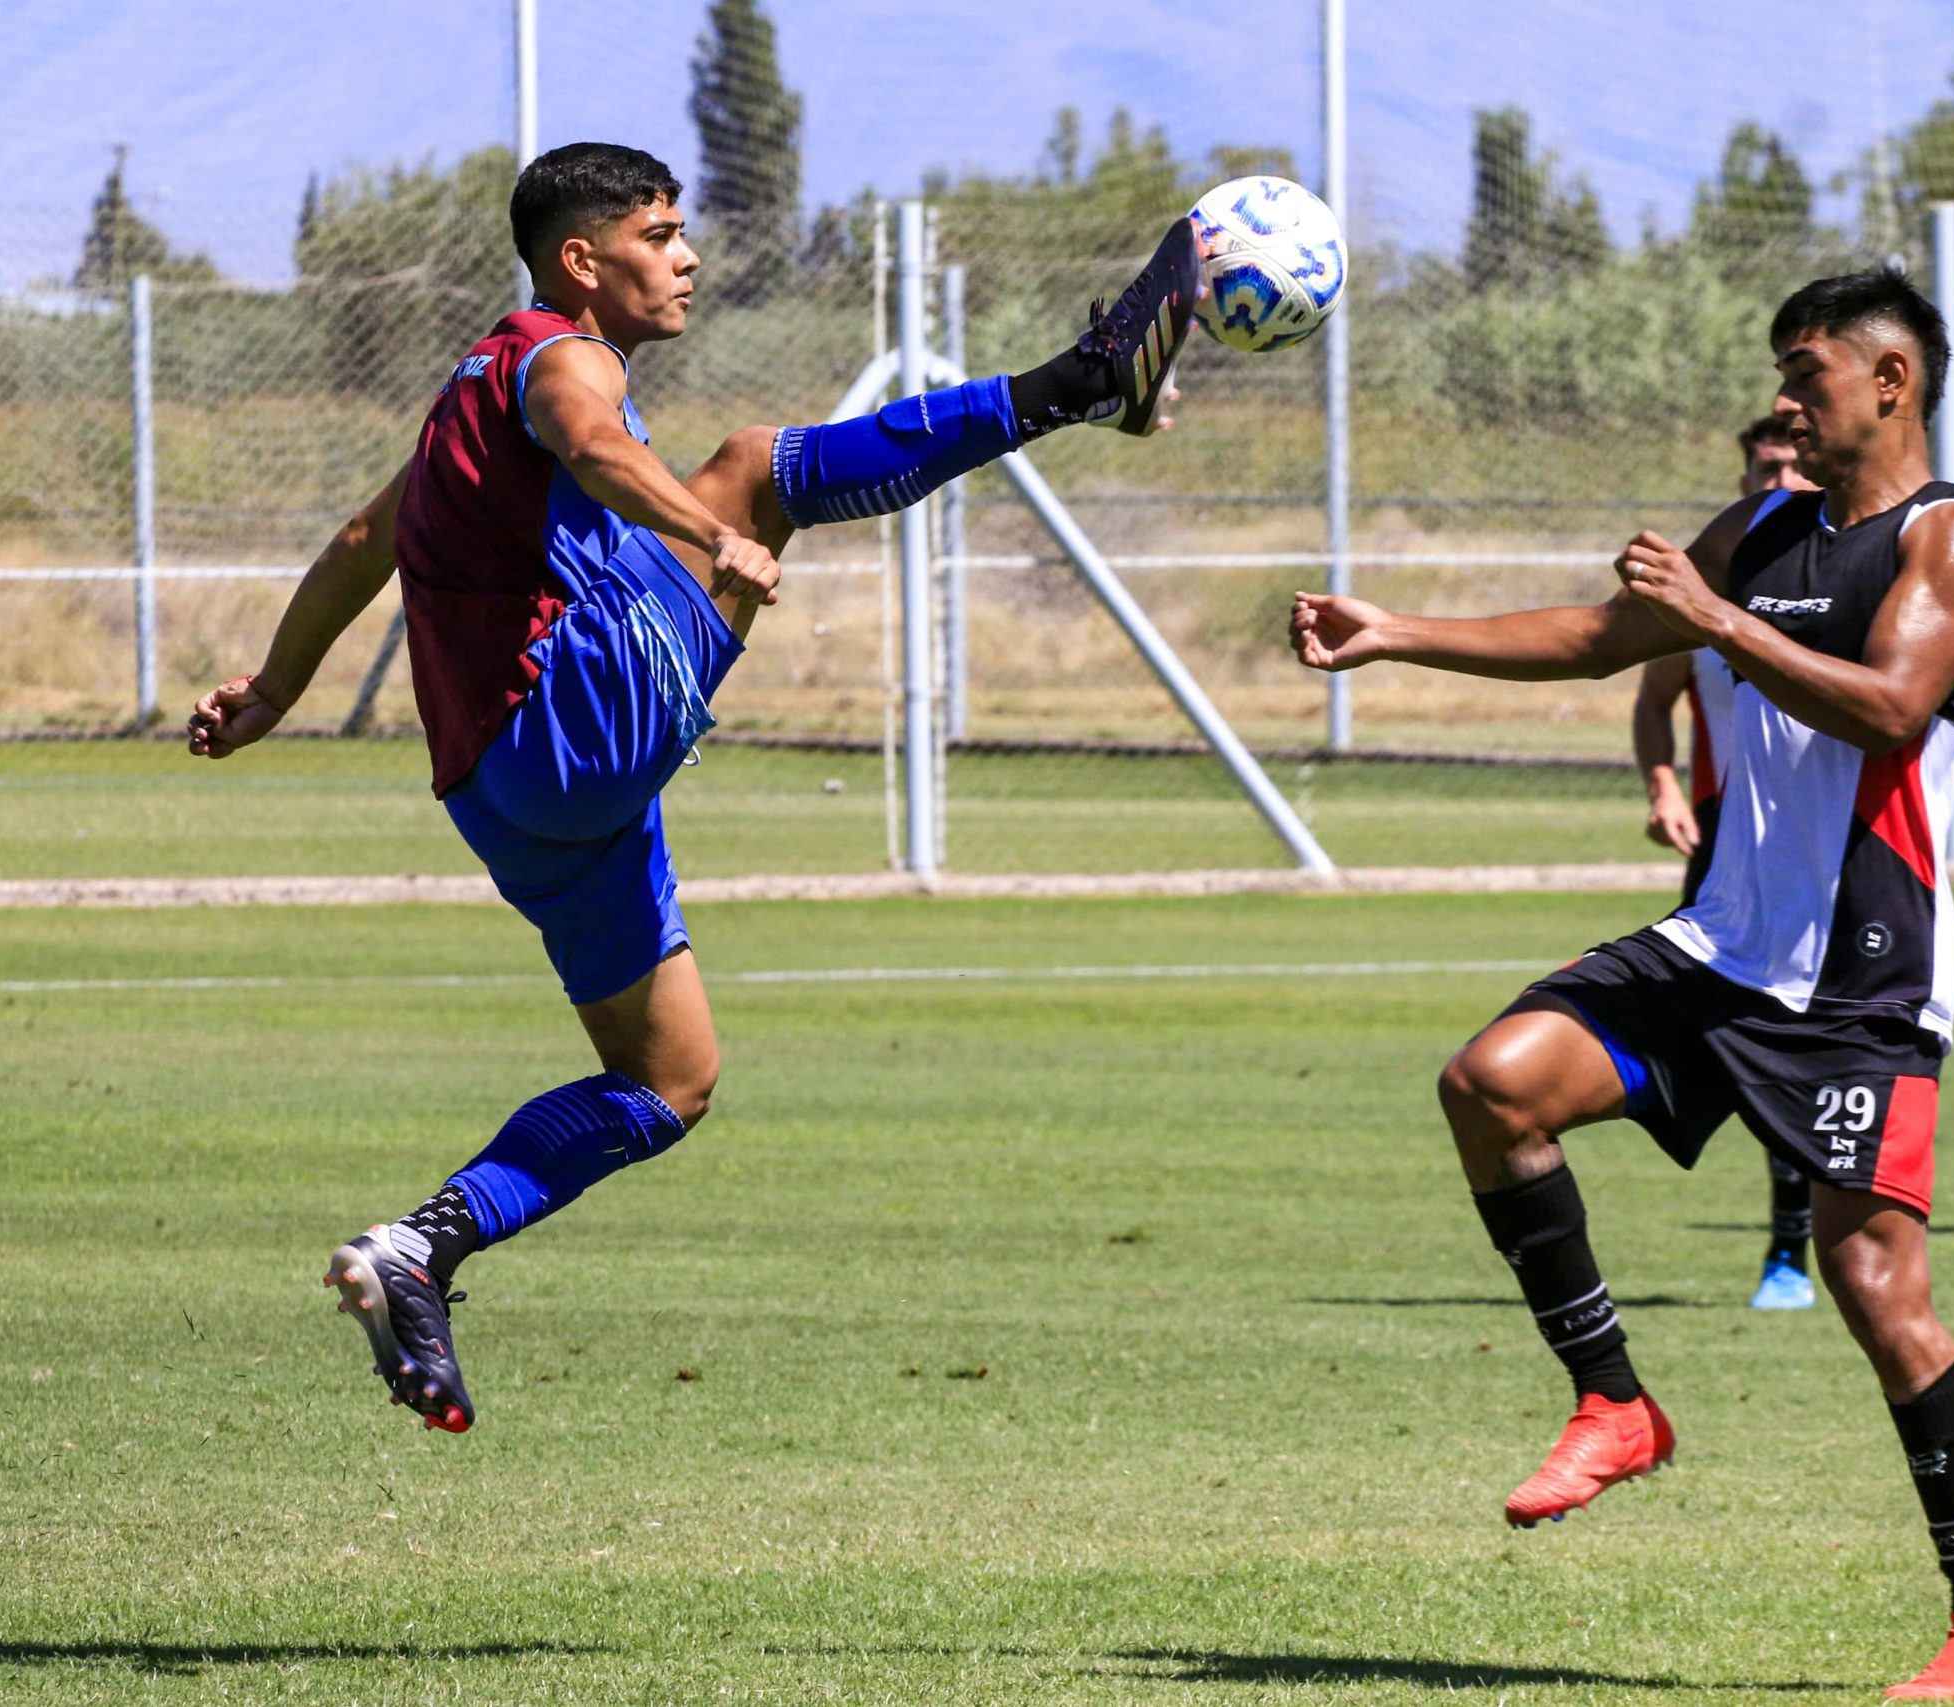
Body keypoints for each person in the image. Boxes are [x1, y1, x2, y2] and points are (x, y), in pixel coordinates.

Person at [186, 142, 1202, 1435]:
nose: (686, 254)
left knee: (669, 1080)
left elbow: (356, 543)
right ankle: (1082, 379)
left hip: (512, 802)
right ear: (582, 260)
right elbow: (597, 437)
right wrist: (716, 529)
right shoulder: (562, 355)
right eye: (660, 233)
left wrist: (277, 688)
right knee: (761, 468)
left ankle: (417, 1249)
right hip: (562, 732)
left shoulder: (466, 397)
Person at [1289, 266, 1954, 1699]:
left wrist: (1722, 616)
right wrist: (1399, 634)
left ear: (1891, 382)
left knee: (1878, 1285)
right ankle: (1616, 1401)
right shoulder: (1761, 526)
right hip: (1718, 947)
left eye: (1806, 371)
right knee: (1491, 1080)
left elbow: (1891, 708)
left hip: (1858, 985)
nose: (1783, 398)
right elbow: (1598, 636)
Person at [1630, 415, 1821, 1310]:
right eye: (1763, 465)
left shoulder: (1833, 579)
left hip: (1819, 849)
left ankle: (1793, 1248)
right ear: (1744, 473)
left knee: (1796, 1044)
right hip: (1720, 839)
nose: (1777, 474)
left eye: (1790, 461)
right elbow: (1652, 696)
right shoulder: (1705, 586)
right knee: (1741, 1036)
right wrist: (1663, 786)